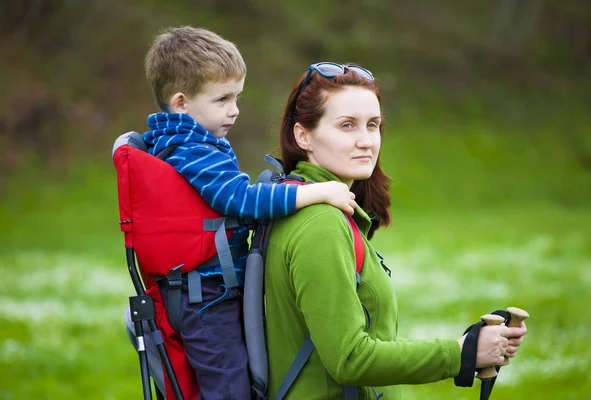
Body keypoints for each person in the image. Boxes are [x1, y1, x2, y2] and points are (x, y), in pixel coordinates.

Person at [264, 62, 528, 399]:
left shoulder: (298, 203)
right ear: (304, 136)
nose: (366, 141)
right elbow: (350, 359)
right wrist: (462, 353)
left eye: (372, 125)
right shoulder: (320, 224)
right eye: (347, 125)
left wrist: (471, 347)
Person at [142, 28, 357, 399]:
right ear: (181, 103)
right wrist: (317, 192)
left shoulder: (190, 141)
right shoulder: (192, 149)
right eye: (222, 99)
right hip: (206, 297)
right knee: (229, 386)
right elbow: (239, 200)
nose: (234, 109)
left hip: (208, 289)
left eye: (237, 97)